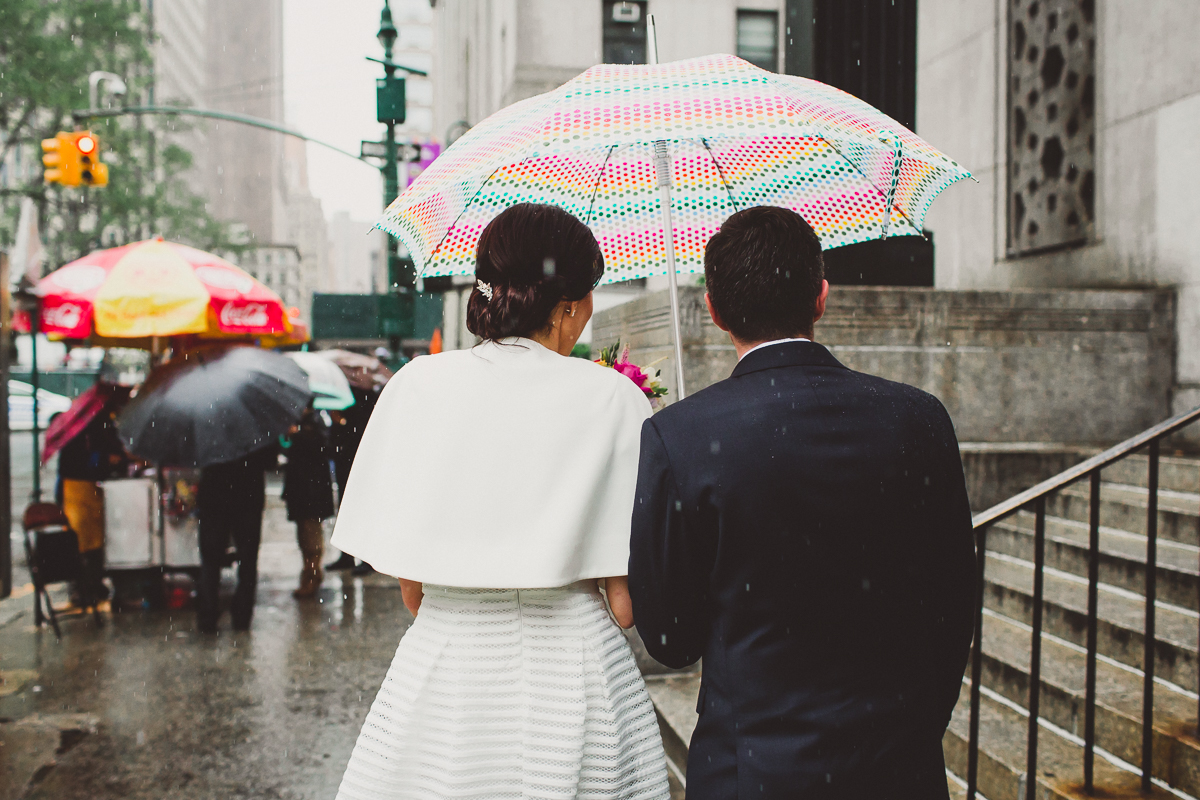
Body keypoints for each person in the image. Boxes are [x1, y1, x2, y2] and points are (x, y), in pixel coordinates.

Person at [628, 206, 977, 799]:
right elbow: (954, 601)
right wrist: (914, 728)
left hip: (753, 772)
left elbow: (670, 638)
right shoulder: (919, 419)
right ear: (821, 296)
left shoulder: (681, 436)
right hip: (897, 768)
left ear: (714, 311)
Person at [330, 203, 670, 800]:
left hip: (449, 678)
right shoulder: (615, 399)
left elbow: (413, 593)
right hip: (578, 682)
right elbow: (623, 606)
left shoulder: (418, 386)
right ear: (568, 305)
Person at [196, 445, 276, 633]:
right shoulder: (257, 424)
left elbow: (197, 455)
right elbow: (270, 460)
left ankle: (207, 616)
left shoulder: (208, 421)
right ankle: (242, 615)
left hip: (214, 495)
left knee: (210, 560)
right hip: (248, 495)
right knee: (248, 560)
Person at [283, 407, 335, 598]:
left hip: (311, 491)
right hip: (300, 490)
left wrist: (298, 436)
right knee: (304, 537)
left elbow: (322, 448)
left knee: (311, 537)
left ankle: (312, 577)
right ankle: (310, 574)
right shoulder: (299, 421)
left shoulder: (315, 422)